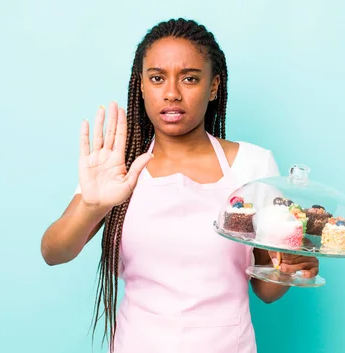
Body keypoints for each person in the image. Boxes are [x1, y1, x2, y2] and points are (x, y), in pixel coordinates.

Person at [40, 18, 319, 353]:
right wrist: (93, 205)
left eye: (189, 78)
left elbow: (265, 289)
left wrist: (289, 268)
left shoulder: (253, 165)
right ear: (141, 85)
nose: (171, 93)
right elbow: (53, 252)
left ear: (214, 86)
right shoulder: (119, 165)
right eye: (157, 78)